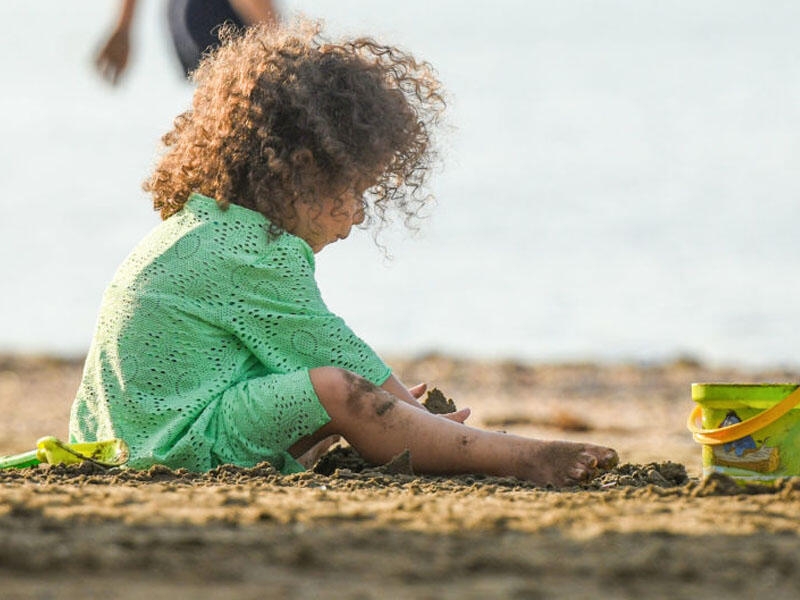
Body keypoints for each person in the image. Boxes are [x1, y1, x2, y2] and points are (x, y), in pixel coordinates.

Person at [70, 21, 619, 487]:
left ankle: (426, 439)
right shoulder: (256, 250)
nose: (359, 216)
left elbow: (300, 354)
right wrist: (427, 417)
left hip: (122, 439)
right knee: (335, 388)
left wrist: (395, 405)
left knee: (334, 392)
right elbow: (334, 355)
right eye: (356, 192)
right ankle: (518, 456)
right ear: (305, 174)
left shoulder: (202, 222)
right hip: (170, 447)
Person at [95, 0, 278, 83]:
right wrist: (279, 45)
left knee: (220, 108)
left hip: (179, 13)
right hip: (216, 14)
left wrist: (124, 26)